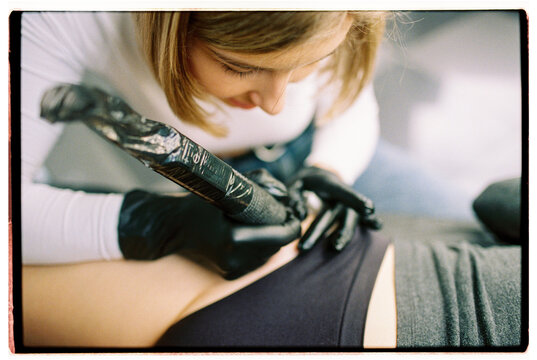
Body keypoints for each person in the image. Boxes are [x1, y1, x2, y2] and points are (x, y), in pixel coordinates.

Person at [18, 11, 522, 350]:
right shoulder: (58, 16)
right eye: (240, 67)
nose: (277, 102)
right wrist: (156, 223)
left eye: (308, 63)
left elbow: (348, 102)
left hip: (327, 156)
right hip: (212, 188)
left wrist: (330, 169)